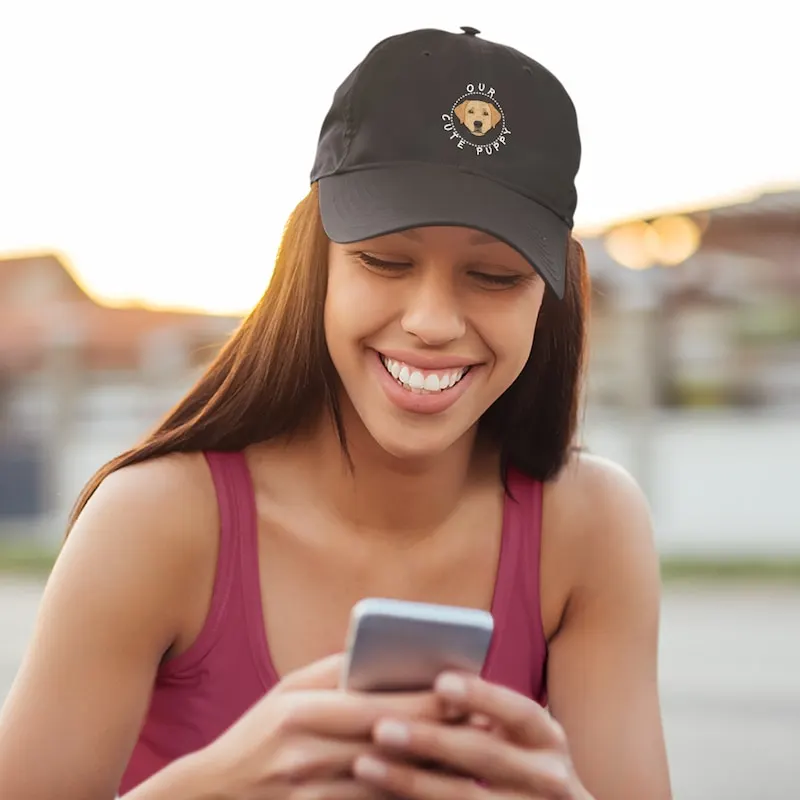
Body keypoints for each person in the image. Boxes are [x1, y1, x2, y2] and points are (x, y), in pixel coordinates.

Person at [0, 25, 672, 800]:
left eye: (494, 276)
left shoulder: (588, 525)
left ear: (549, 301)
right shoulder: (156, 518)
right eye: (385, 260)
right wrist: (218, 784)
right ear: (309, 264)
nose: (432, 320)